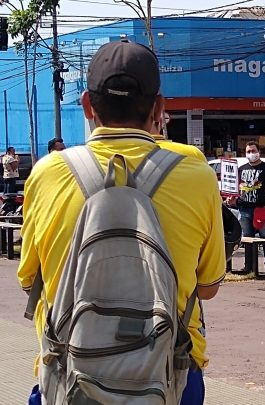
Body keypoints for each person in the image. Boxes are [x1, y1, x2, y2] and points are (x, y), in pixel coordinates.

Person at [17, 40, 226, 404]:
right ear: (160, 107)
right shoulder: (196, 172)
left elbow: (29, 283)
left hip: (70, 376)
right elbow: (208, 286)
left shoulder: (47, 173)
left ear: (86, 106)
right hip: (169, 378)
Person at [235, 141, 265, 272]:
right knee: (247, 238)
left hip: (261, 209)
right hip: (244, 208)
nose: (251, 154)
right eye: (248, 151)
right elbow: (236, 188)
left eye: (253, 151)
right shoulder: (241, 169)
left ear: (259, 152)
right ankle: (249, 266)